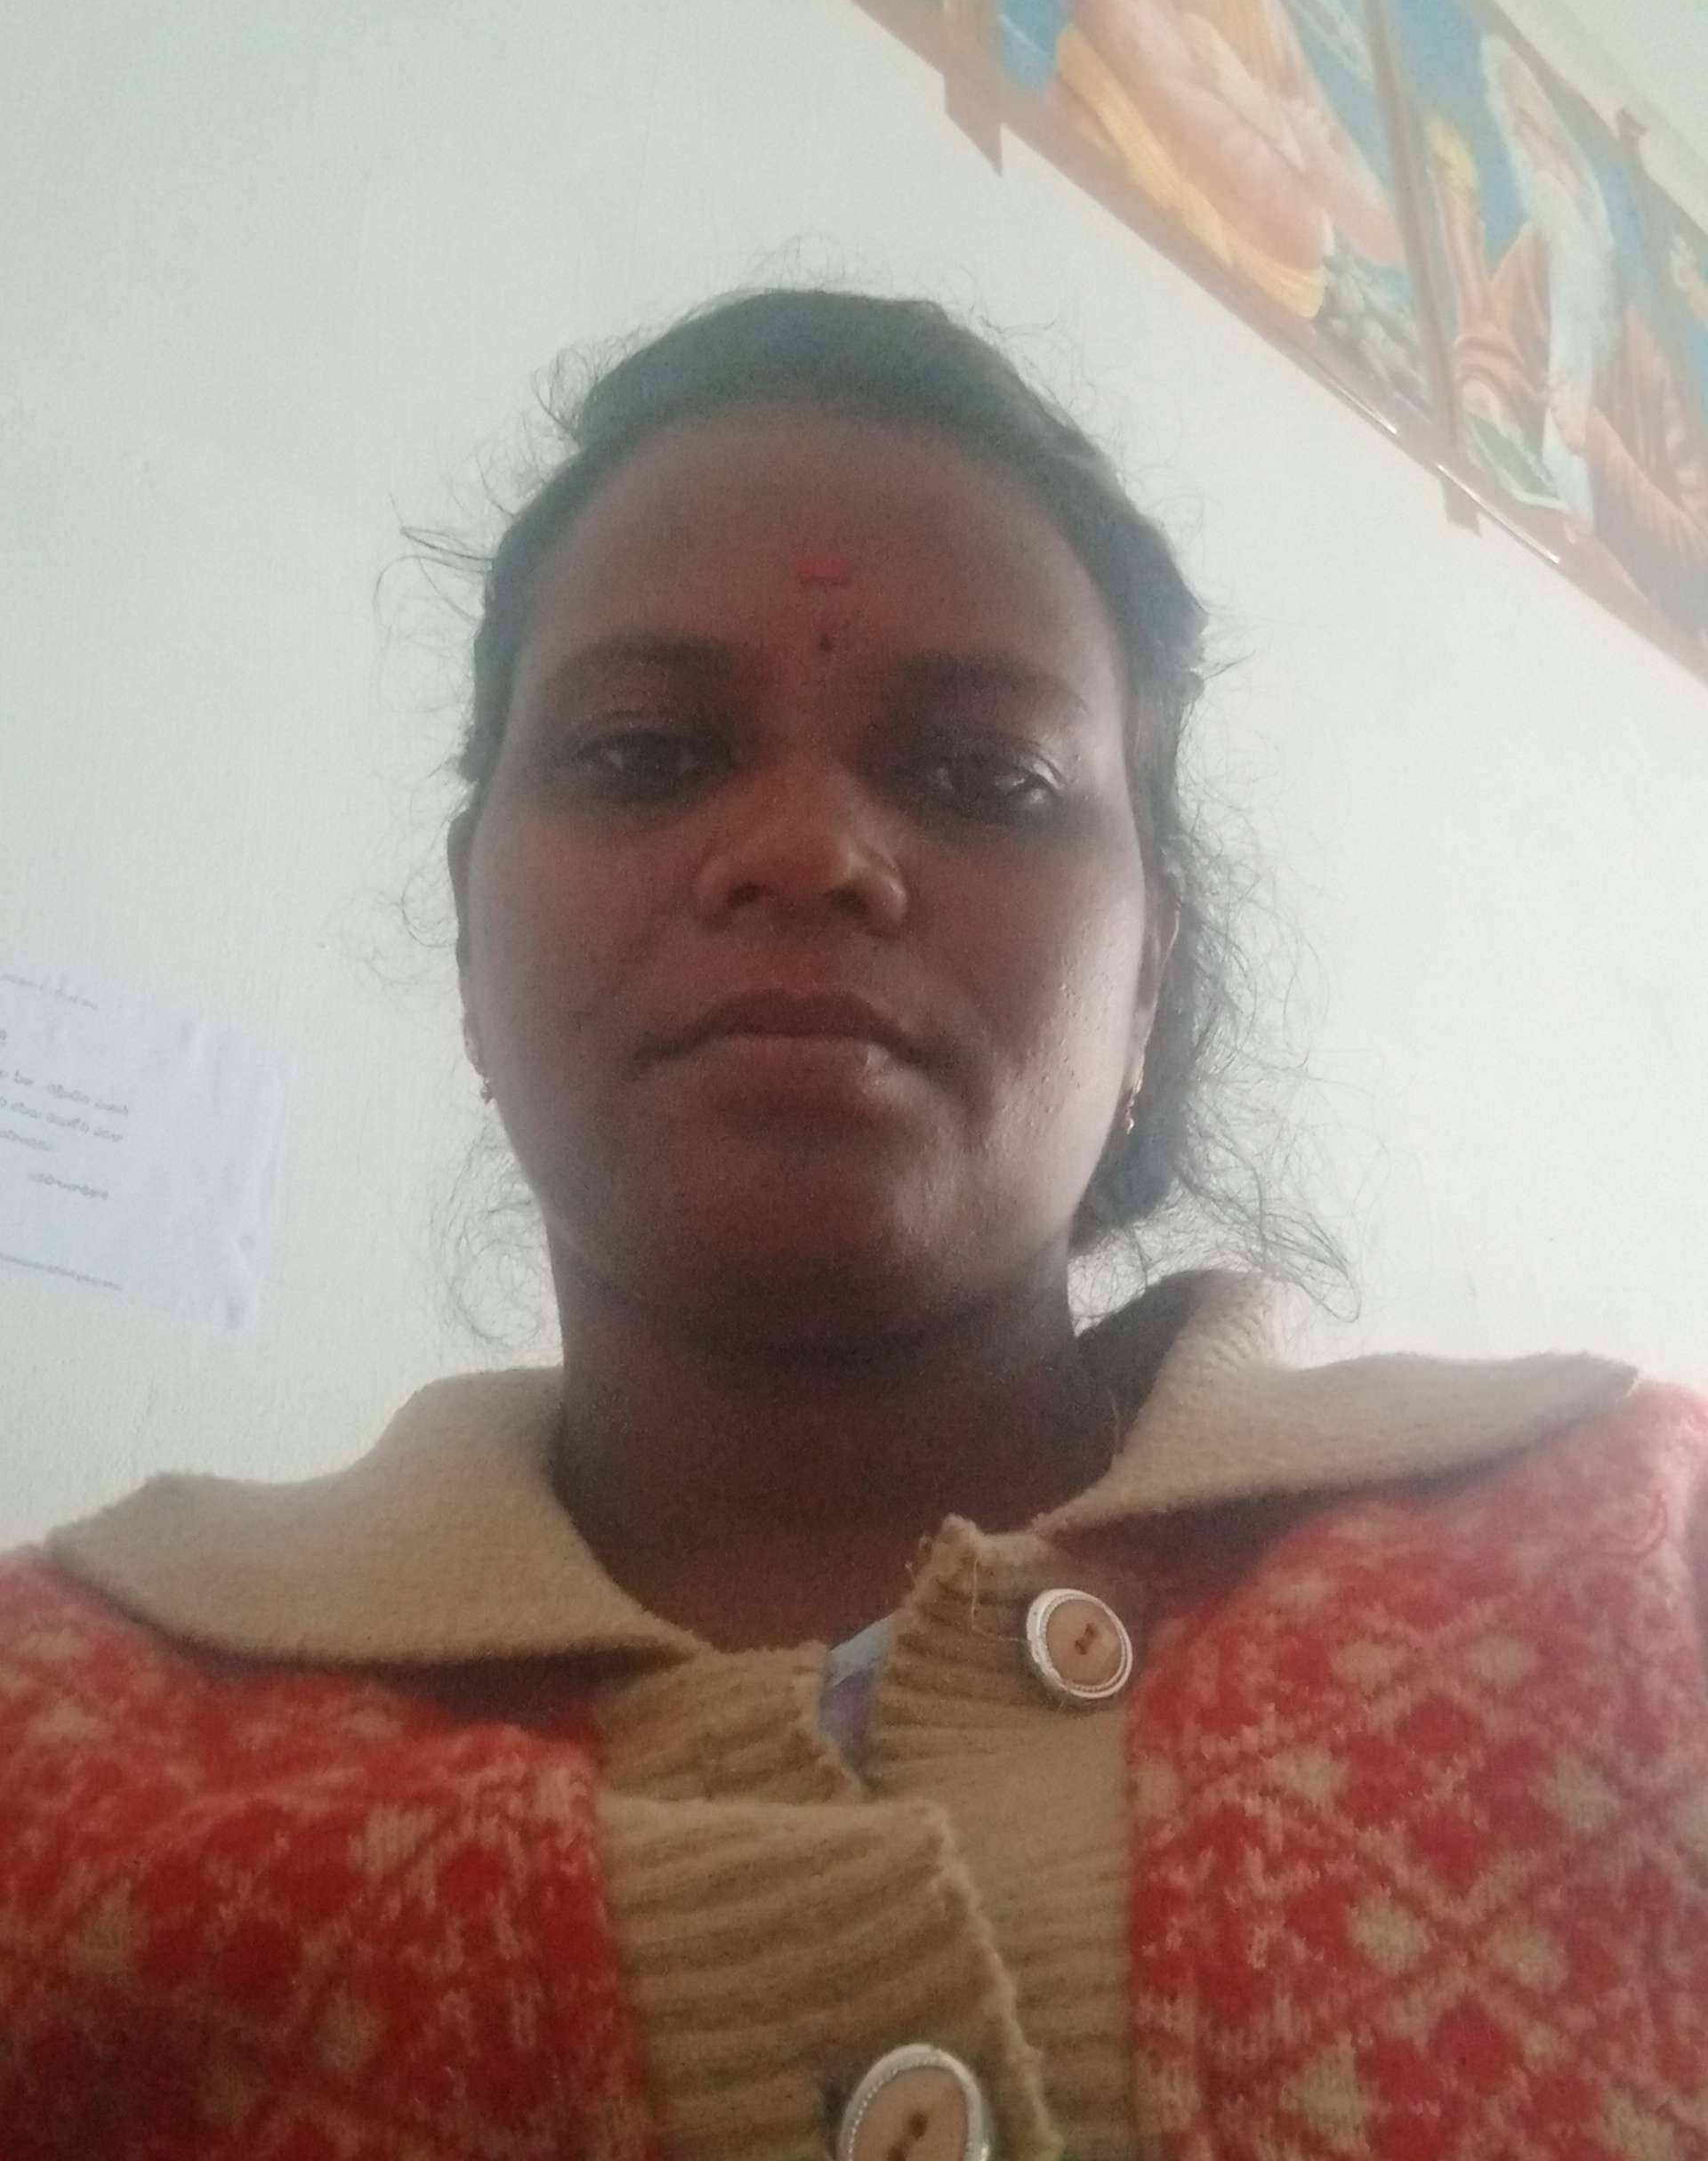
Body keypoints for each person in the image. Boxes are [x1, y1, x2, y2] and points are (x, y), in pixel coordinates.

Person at [1, 290, 1704, 2161]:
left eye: (983, 776)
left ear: (1152, 977)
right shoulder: (61, 1728)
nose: (809, 850)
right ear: (470, 936)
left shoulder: (1637, 1562)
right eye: (645, 754)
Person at [1034, 0, 1405, 320]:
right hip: (1105, 207)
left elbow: (1383, 231)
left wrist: (1270, 117)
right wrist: (1296, 162)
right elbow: (1150, 67)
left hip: (1249, 285)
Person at [1444, 36, 1708, 634]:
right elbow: (1490, 356)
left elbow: (1697, 560)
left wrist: (1595, 439)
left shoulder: (1652, 351)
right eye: (1520, 135)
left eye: (1546, 136)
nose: (1537, 160)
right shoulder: (1539, 256)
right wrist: (1482, 397)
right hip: (1516, 565)